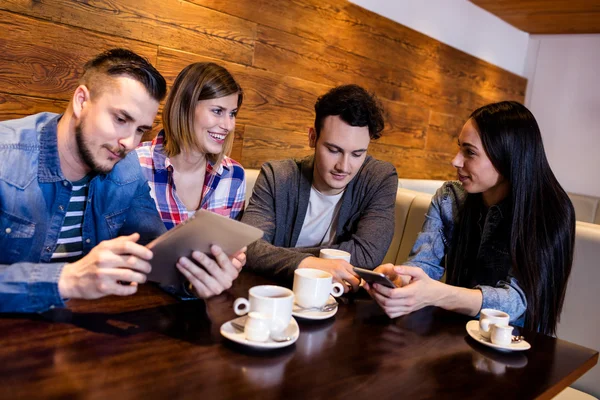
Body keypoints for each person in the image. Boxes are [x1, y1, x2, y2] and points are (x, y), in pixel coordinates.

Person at [0, 49, 244, 313]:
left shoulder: (126, 168)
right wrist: (67, 280)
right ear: (82, 101)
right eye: (120, 119)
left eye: (140, 130)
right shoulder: (7, 156)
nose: (129, 142)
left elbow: (156, 255)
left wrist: (194, 280)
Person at [366, 101, 575, 335]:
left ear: (506, 157)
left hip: (518, 346)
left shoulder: (549, 212)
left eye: (470, 152)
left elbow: (517, 301)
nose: (455, 161)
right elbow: (424, 264)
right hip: (457, 335)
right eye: (459, 148)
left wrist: (438, 294)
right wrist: (401, 279)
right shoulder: (449, 199)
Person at [242, 84, 398, 292]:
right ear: (313, 137)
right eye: (334, 150)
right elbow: (250, 247)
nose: (344, 166)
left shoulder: (379, 178)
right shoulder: (277, 176)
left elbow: (368, 254)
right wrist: (308, 264)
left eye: (357, 154)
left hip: (339, 304)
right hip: (275, 296)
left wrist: (275, 255)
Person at [136, 62, 246, 229]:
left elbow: (231, 245)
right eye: (217, 111)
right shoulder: (136, 165)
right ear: (185, 107)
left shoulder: (234, 176)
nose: (229, 125)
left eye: (232, 113)